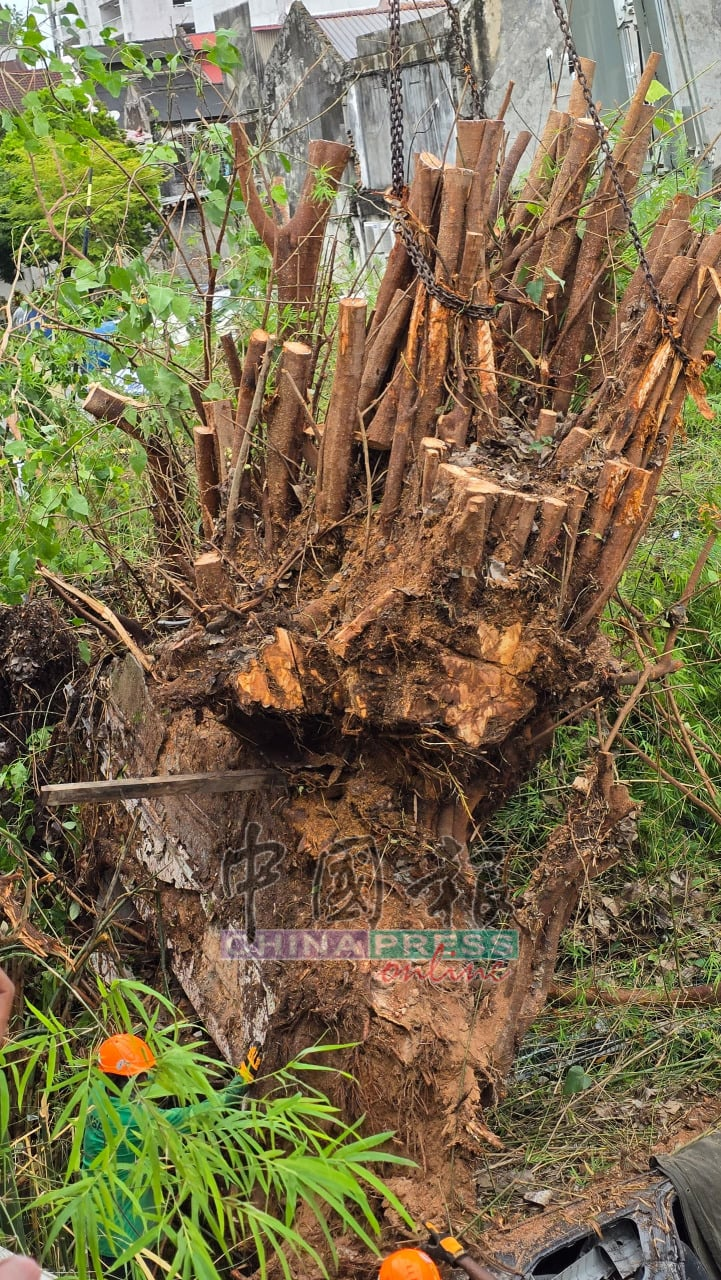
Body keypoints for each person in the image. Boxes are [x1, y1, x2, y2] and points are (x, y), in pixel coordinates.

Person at [81, 1032, 263, 1272]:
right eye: (142, 1076)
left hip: (95, 1226)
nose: (146, 1080)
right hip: (126, 1241)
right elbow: (199, 1115)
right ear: (128, 1080)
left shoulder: (95, 1095)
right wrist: (241, 1081)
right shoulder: (133, 1119)